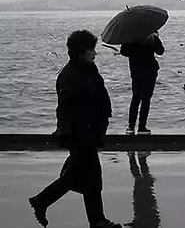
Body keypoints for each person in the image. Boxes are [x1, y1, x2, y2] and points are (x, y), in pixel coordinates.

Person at [29, 30, 121, 228]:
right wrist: (84, 132)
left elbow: (99, 97)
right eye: (91, 51)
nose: (94, 54)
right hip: (79, 133)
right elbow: (70, 109)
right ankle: (42, 200)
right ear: (80, 52)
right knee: (82, 176)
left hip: (89, 131)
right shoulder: (70, 76)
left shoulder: (88, 70)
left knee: (88, 177)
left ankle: (97, 220)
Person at [121, 32, 164, 135]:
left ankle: (131, 126)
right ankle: (142, 127)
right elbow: (160, 51)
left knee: (135, 98)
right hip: (150, 71)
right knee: (146, 99)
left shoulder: (131, 37)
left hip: (136, 71)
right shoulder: (152, 37)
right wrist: (155, 39)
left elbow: (123, 52)